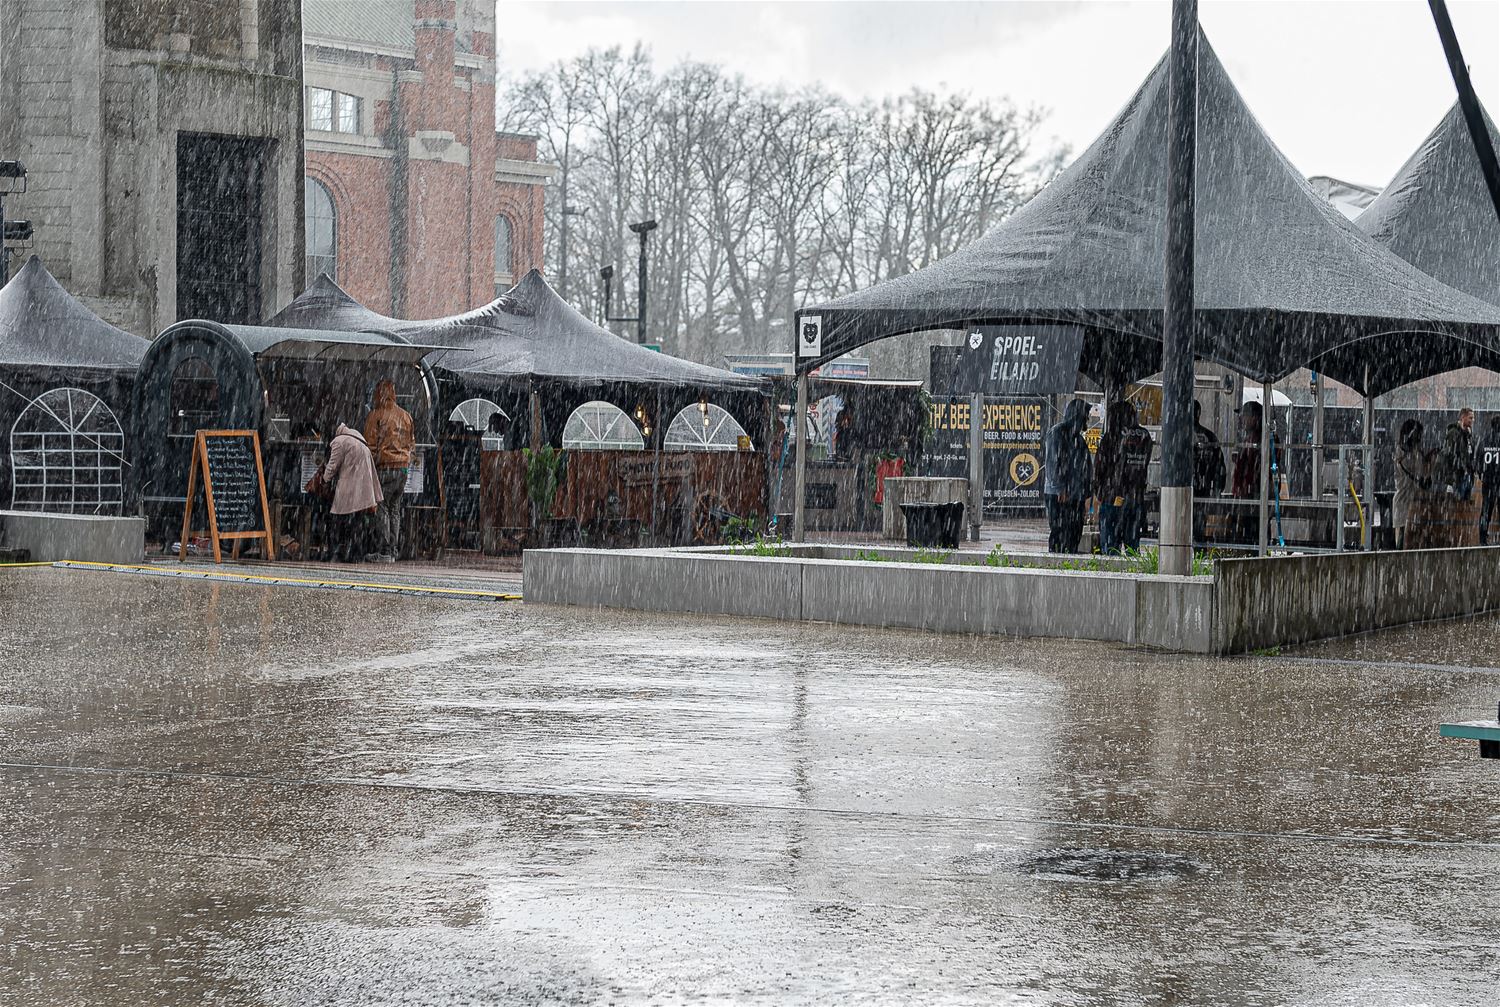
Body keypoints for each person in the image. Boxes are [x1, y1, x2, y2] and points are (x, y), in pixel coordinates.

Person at [364, 379, 415, 563]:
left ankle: (384, 551)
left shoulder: (376, 415)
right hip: (403, 469)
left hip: (385, 467)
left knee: (382, 507)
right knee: (395, 509)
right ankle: (393, 550)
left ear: (379, 394)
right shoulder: (406, 416)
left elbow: (370, 445)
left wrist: (370, 468)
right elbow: (412, 444)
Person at [1096, 401, 1154, 553]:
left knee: (1110, 545)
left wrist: (1099, 491)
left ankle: (1111, 567)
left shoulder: (1112, 436)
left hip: (1113, 496)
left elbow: (1100, 466)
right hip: (1136, 496)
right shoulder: (1145, 436)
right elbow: (1145, 463)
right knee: (1132, 545)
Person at [321, 422, 383, 563]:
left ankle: (336, 552)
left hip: (349, 487)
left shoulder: (339, 441)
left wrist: (324, 479)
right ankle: (356, 553)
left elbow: (332, 466)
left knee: (338, 520)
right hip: (364, 487)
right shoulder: (359, 439)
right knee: (357, 522)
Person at [1042, 398, 1092, 553]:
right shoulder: (1057, 432)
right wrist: (1060, 487)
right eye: (1086, 416)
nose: (1087, 420)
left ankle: (1069, 556)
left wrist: (1087, 493)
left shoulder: (1079, 439)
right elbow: (1052, 462)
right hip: (1059, 494)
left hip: (1075, 494)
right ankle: (1056, 559)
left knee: (1074, 532)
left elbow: (1086, 467)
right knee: (1059, 531)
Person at [1191, 399, 1226, 544]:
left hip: (1193, 490)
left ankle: (1195, 549)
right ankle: (1198, 550)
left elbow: (1219, 466)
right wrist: (1217, 489)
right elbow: (1220, 466)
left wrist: (1217, 489)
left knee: (1191, 529)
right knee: (1198, 529)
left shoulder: (1180, 435)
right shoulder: (1209, 436)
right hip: (1202, 490)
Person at [1393, 418, 1430, 550]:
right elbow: (1413, 472)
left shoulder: (1414, 452)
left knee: (1411, 537)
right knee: (1403, 536)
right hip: (1404, 499)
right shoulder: (1403, 453)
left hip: (1413, 499)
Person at [1435, 406, 1476, 502]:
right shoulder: (1453, 433)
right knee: (1456, 502)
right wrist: (1452, 477)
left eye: (1473, 418)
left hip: (1466, 474)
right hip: (1457, 475)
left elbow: (1469, 453)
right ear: (1463, 417)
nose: (1472, 420)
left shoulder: (1468, 434)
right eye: (1470, 418)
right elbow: (1449, 454)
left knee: (1465, 502)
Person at [1479, 416, 1500, 545]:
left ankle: (1482, 538)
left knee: (1486, 509)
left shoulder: (1485, 440)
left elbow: (1478, 460)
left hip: (1488, 481)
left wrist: (1482, 474)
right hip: (1498, 480)